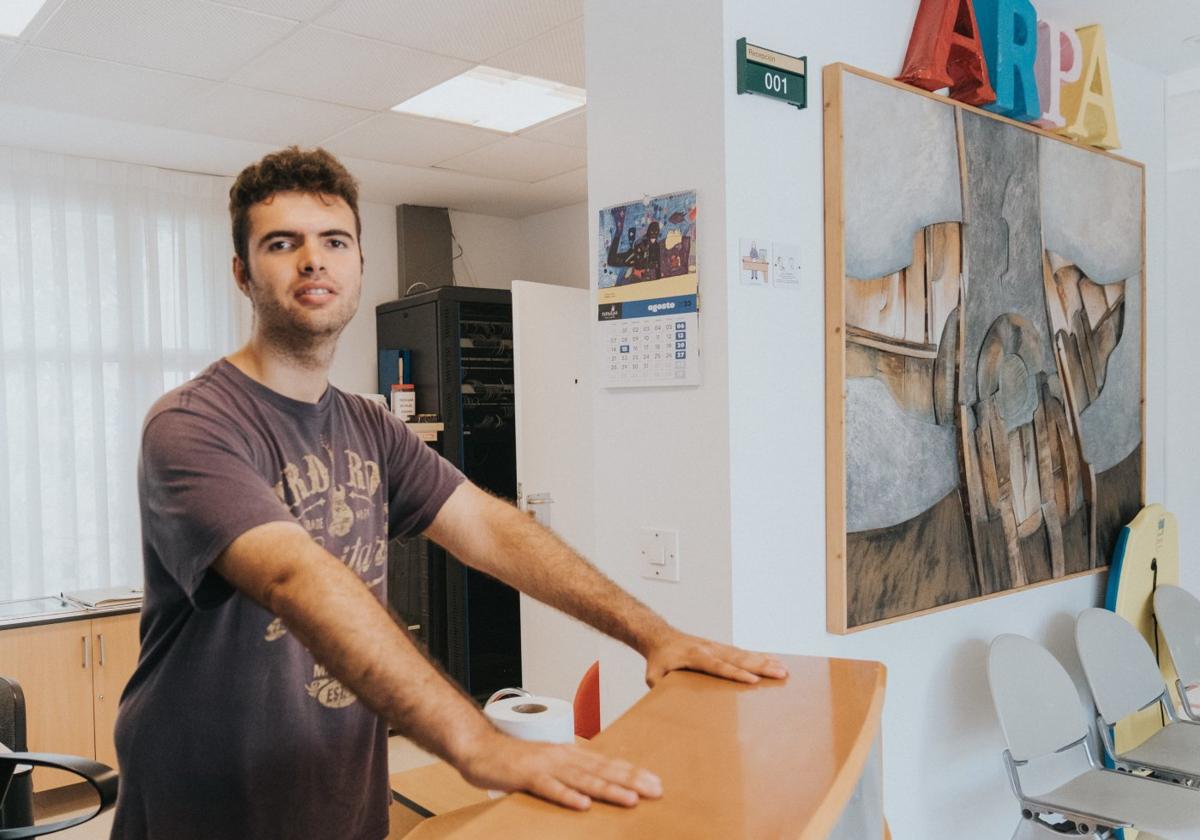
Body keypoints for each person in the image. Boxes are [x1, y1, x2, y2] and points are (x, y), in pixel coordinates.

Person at [109, 147, 786, 840]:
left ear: (359, 267)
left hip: (340, 803)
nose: (313, 260)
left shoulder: (369, 424)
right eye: (283, 244)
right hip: (207, 813)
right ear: (242, 274)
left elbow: (488, 528)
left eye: (334, 241)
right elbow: (294, 575)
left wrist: (655, 636)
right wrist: (480, 744)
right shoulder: (193, 425)